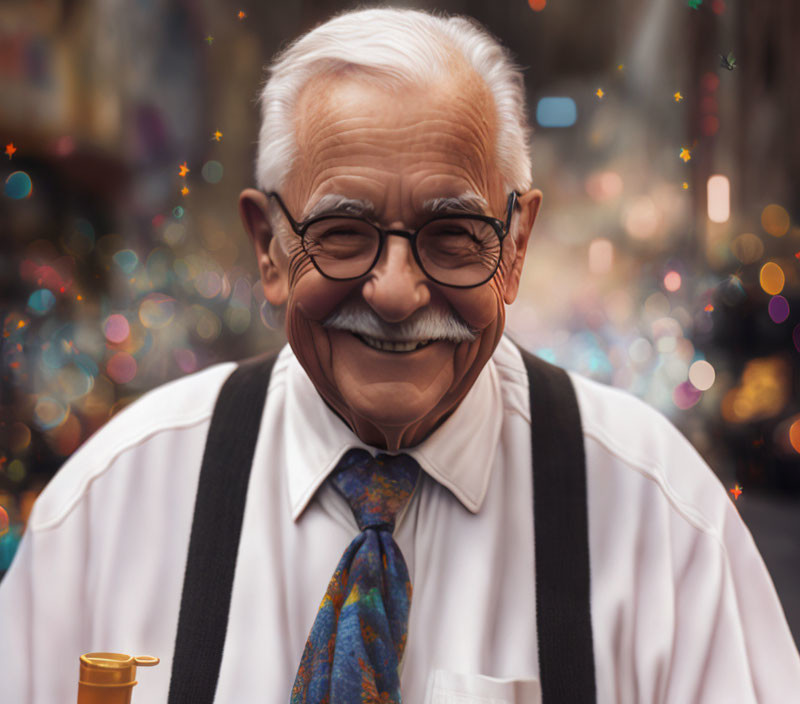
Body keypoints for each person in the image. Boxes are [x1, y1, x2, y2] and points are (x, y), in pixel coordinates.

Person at [1, 7, 799, 703]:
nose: (394, 290)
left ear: (515, 247)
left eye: (452, 236)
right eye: (342, 234)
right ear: (270, 249)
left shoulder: (660, 520)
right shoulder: (109, 511)